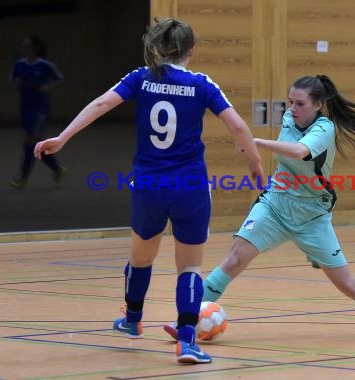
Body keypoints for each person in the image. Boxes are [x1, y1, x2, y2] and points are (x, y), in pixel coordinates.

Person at [34, 18, 264, 364]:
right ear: (192, 51)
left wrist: (62, 137)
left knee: (141, 258)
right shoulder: (201, 84)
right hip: (189, 185)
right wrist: (256, 164)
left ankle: (132, 320)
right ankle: (187, 342)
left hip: (148, 184)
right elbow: (237, 125)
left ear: (158, 47)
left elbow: (100, 105)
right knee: (189, 267)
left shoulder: (141, 77)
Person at [164, 74, 355, 341]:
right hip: (275, 205)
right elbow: (288, 153)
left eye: (299, 103)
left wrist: (256, 142)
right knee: (234, 259)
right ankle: (185, 324)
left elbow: (300, 151)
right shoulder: (289, 119)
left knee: (347, 284)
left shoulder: (325, 129)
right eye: (290, 102)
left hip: (312, 216)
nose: (292, 108)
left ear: (318, 104)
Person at [10, 36, 66, 189]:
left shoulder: (45, 65)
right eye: (24, 46)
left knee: (30, 142)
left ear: (36, 49)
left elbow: (59, 78)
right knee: (34, 143)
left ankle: (22, 178)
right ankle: (57, 169)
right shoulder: (19, 65)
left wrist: (48, 86)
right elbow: (14, 79)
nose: (25, 49)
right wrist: (17, 83)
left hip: (39, 109)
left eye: (28, 46)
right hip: (25, 107)